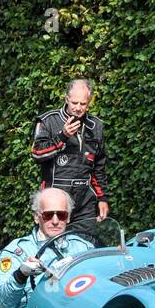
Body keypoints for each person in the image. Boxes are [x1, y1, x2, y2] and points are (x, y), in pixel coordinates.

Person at [30, 78, 109, 242]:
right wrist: (62, 137)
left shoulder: (96, 126)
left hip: (84, 200)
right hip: (55, 199)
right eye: (74, 103)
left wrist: (102, 198)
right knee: (52, 244)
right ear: (66, 99)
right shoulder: (48, 121)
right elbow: (37, 153)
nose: (78, 108)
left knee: (86, 245)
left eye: (83, 104)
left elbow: (98, 167)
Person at [0, 188, 94, 308]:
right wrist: (20, 275)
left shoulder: (83, 247)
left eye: (61, 215)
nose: (55, 221)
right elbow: (4, 303)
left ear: (68, 217)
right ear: (36, 217)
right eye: (48, 215)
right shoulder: (18, 250)